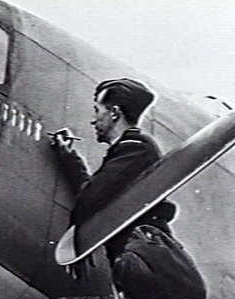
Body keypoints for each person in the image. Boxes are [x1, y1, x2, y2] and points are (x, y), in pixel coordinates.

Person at [51, 78, 176, 262]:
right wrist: (69, 157)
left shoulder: (136, 148)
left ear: (114, 113)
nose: (93, 121)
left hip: (144, 264)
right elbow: (95, 192)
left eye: (97, 111)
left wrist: (76, 247)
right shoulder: (130, 148)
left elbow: (91, 197)